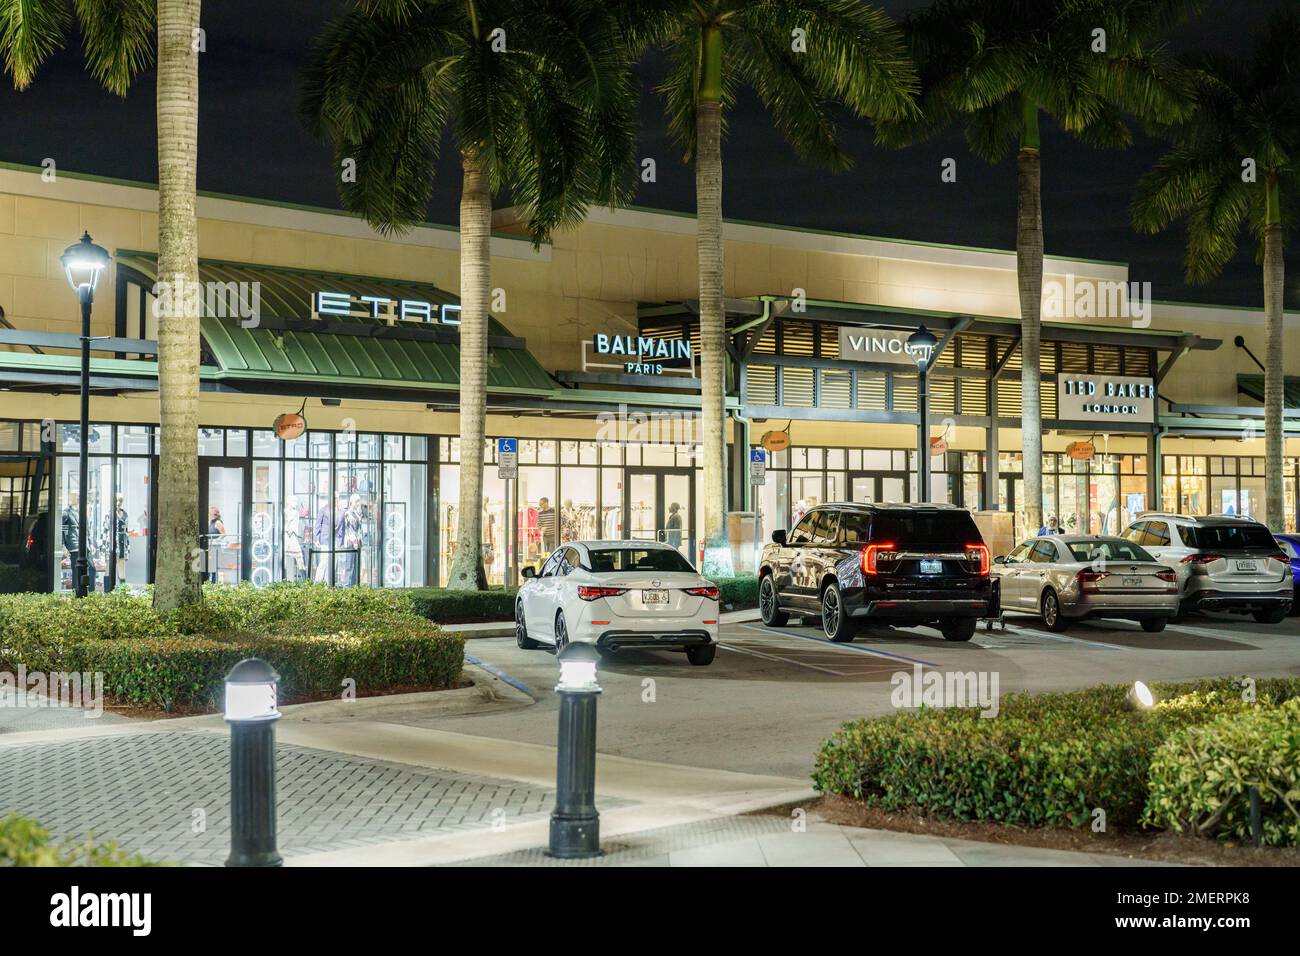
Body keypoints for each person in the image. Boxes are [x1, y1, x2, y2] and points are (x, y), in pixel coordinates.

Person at [110, 494, 130, 585]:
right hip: (113, 543)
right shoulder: (110, 513)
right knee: (110, 568)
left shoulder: (125, 514)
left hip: (123, 543)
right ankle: (109, 590)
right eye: (117, 500)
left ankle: (122, 590)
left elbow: (126, 531)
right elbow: (106, 531)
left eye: (120, 501)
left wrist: (128, 546)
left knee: (122, 567)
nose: (118, 503)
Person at [284, 496, 304, 582]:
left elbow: (295, 525)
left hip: (292, 536)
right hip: (286, 536)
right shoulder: (284, 512)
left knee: (299, 557)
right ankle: (283, 578)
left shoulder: (296, 512)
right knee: (284, 557)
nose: (296, 503)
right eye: (294, 501)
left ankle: (304, 579)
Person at [206, 506, 226, 583]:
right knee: (209, 567)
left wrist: (216, 541)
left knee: (213, 568)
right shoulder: (211, 523)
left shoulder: (218, 522)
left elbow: (223, 534)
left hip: (215, 548)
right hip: (211, 548)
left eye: (209, 513)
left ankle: (213, 584)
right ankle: (209, 583)